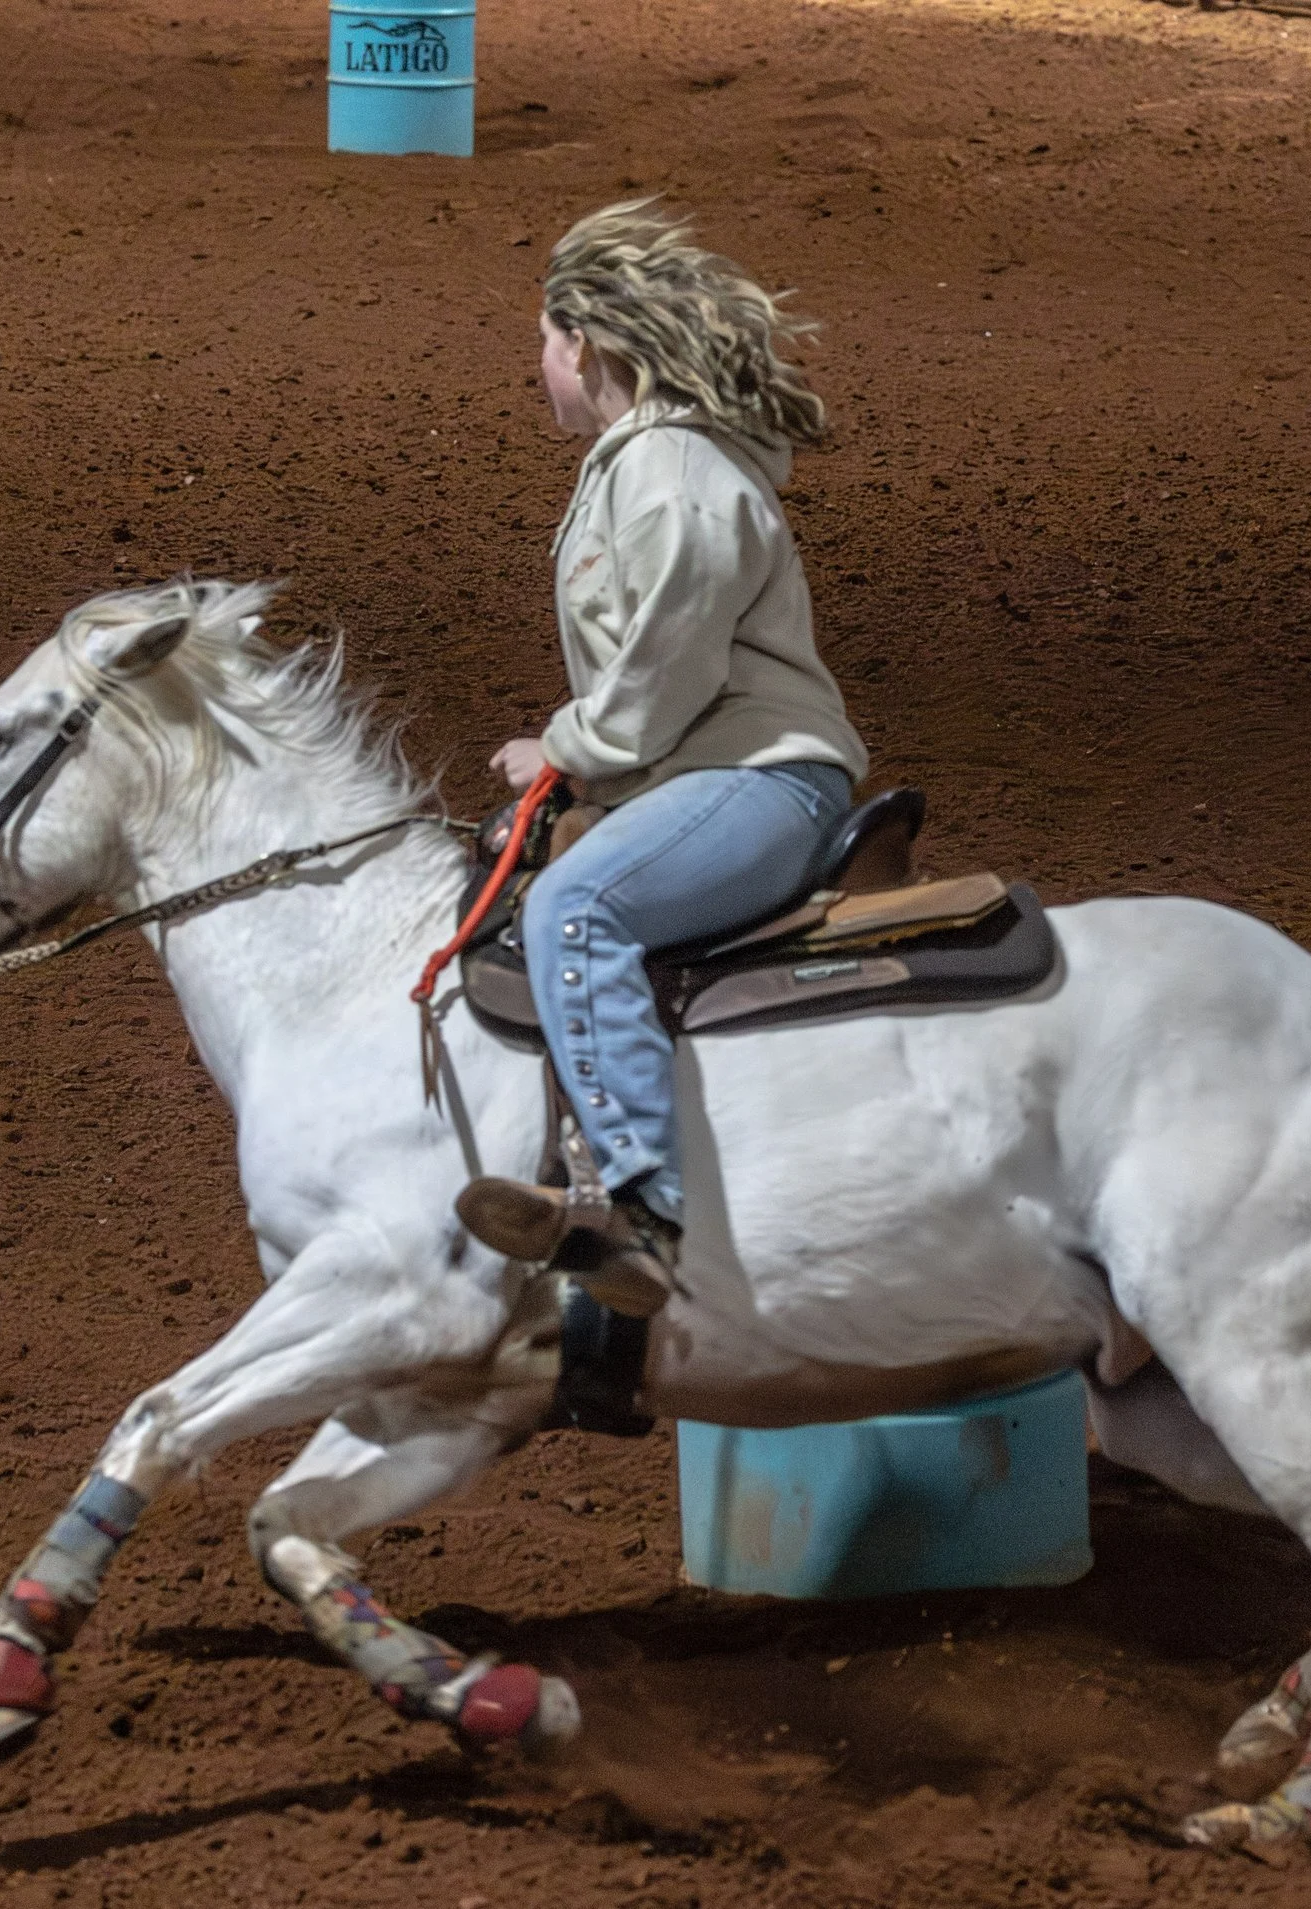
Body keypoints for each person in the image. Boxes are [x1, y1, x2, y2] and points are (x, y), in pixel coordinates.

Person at [455, 201, 868, 1313]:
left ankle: (641, 1204)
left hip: (761, 778)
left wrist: (566, 748)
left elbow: (663, 676)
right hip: (714, 772)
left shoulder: (675, 476)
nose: (538, 366)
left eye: (541, 343)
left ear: (583, 344)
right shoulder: (642, 465)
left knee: (574, 909)